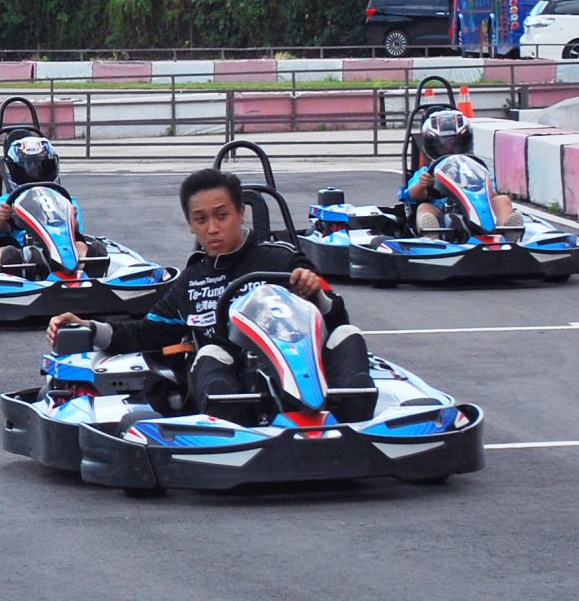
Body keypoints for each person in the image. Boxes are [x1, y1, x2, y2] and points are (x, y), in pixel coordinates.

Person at [47, 167, 374, 421]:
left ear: (241, 213)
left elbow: (335, 317)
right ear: (191, 224)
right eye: (201, 220)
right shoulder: (192, 282)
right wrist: (89, 327)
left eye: (222, 215)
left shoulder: (282, 260)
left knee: (347, 334)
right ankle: (227, 422)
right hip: (238, 384)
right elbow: (147, 332)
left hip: (301, 367)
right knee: (211, 353)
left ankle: (355, 413)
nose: (213, 228)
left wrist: (314, 293)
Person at [400, 107, 516, 235]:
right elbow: (412, 197)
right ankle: (431, 236)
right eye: (442, 147)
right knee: (424, 208)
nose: (450, 151)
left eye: (456, 145)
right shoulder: (426, 173)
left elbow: (493, 194)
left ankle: (507, 230)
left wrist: (481, 186)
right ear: (431, 147)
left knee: (502, 200)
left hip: (478, 209)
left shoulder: (477, 169)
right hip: (442, 214)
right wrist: (423, 185)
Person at [0, 134, 66, 270]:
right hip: (19, 250)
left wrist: (72, 217)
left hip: (59, 246)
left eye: (41, 166)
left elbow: (76, 230)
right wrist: (2, 217)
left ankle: (90, 266)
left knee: (79, 243)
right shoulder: (5, 201)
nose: (34, 171)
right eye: (28, 165)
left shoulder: (62, 200)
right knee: (3, 249)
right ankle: (6, 274)